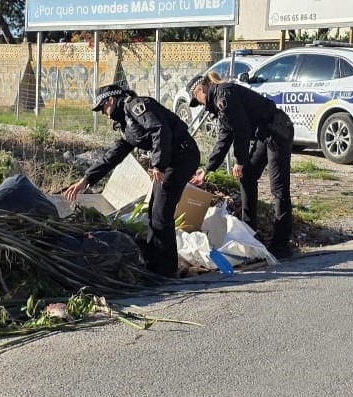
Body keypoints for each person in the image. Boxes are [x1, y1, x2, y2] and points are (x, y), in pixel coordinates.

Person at [64, 84, 200, 277]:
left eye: (103, 108)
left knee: (161, 214)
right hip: (171, 161)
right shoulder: (126, 124)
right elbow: (112, 156)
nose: (104, 114)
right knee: (155, 213)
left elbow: (160, 129)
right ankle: (157, 266)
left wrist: (158, 165)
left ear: (111, 100)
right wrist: (87, 179)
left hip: (181, 157)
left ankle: (166, 271)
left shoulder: (136, 106)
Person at [186, 72, 295, 259]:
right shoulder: (219, 101)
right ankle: (249, 234)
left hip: (278, 130)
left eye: (198, 100)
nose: (202, 105)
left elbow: (241, 129)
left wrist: (240, 161)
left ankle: (281, 244)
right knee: (248, 176)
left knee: (278, 188)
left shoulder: (224, 96)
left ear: (201, 89)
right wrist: (207, 169)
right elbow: (224, 138)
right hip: (265, 133)